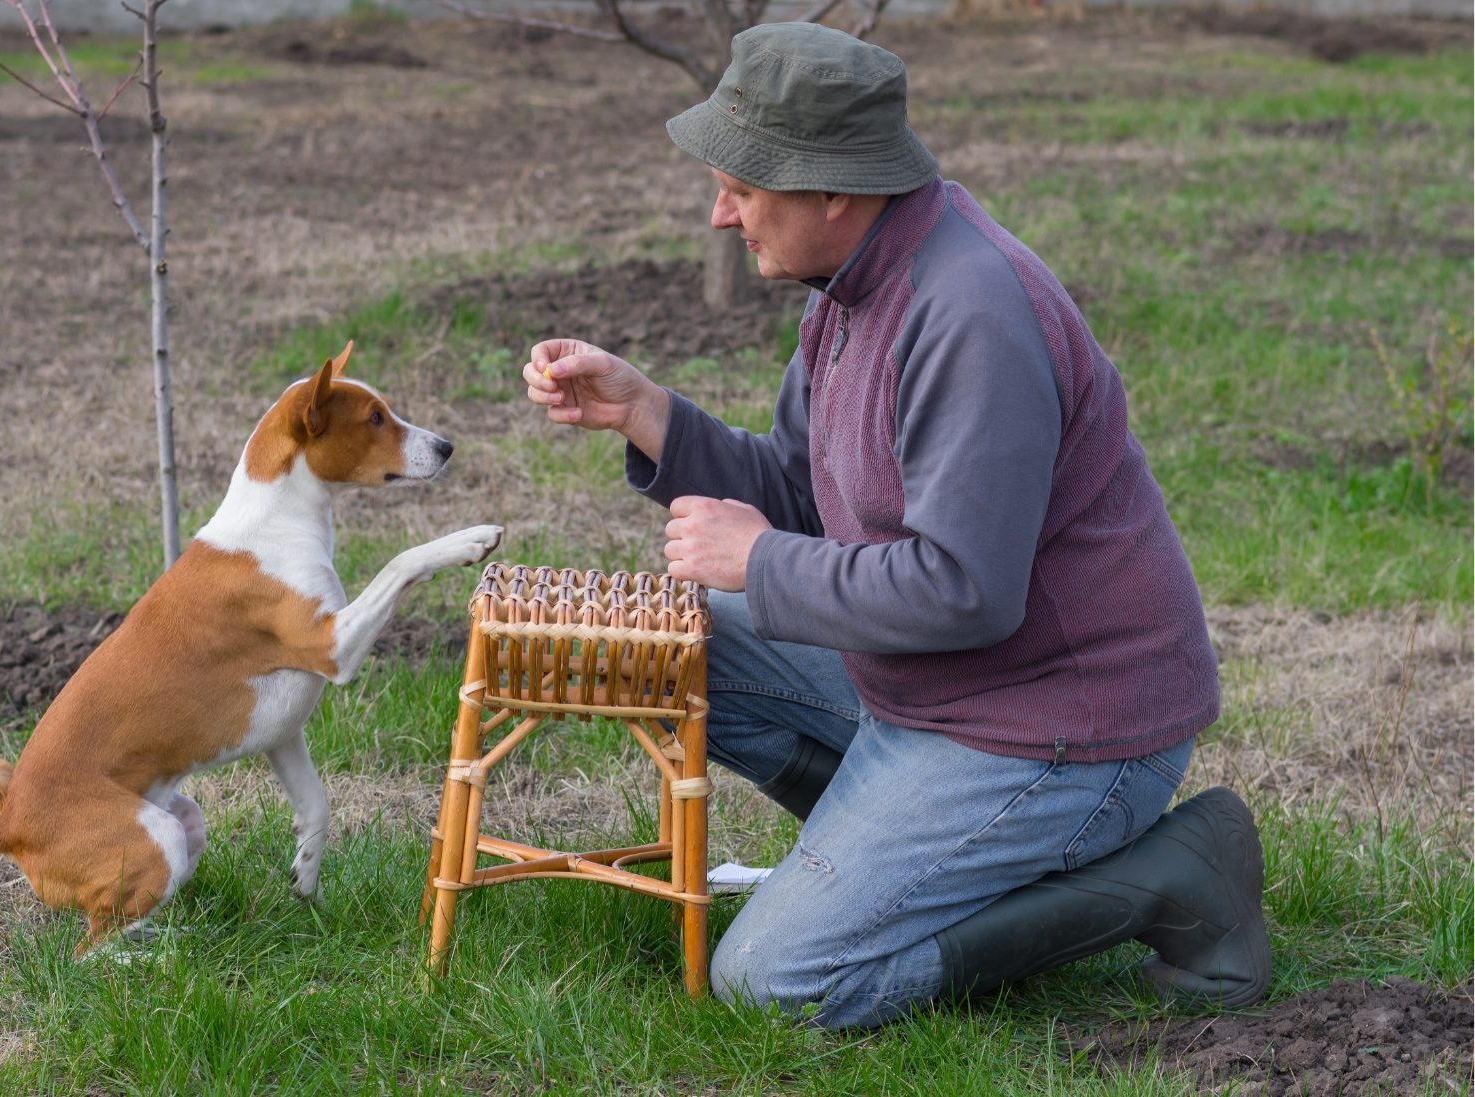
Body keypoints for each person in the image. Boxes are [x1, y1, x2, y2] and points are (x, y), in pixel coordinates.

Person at [521, 22, 1269, 1029]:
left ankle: (1167, 876)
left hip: (1059, 732)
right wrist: (648, 412)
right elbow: (797, 490)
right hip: (939, 691)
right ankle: (899, 859)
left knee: (774, 982)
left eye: (742, 187)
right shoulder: (852, 287)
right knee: (670, 642)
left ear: (834, 188)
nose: (717, 213)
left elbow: (963, 588)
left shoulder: (969, 315)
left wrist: (761, 560)